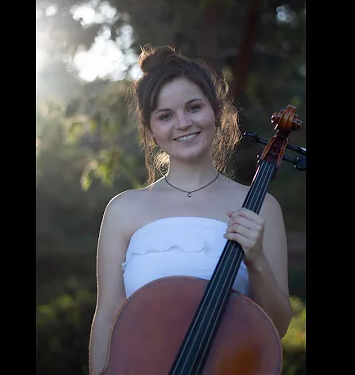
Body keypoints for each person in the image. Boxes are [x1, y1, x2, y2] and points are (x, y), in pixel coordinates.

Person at [88, 45, 293, 375]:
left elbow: (278, 325)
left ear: (215, 112)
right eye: (165, 115)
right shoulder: (123, 209)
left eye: (194, 107)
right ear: (151, 130)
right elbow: (107, 317)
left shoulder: (261, 206)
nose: (183, 123)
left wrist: (256, 260)